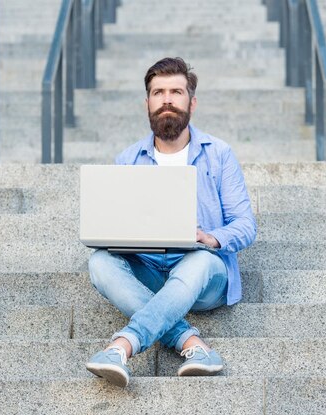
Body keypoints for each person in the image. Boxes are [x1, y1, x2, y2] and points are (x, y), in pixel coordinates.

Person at [85, 57, 257, 387]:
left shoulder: (219, 154)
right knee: (100, 263)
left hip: (204, 276)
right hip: (149, 269)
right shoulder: (128, 160)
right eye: (158, 92)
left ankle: (123, 345)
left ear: (191, 102)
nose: (167, 99)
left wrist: (208, 238)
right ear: (147, 102)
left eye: (176, 91)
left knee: (200, 261)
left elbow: (245, 225)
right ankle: (192, 344)